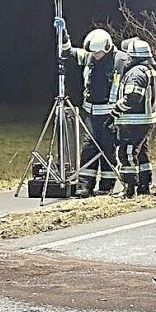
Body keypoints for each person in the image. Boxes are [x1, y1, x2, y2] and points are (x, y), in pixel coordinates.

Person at [58, 20, 130, 197]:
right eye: (92, 53)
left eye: (97, 53)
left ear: (106, 48)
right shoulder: (90, 56)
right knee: (89, 149)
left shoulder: (121, 60)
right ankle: (84, 186)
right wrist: (63, 32)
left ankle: (106, 187)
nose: (94, 56)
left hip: (110, 113)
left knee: (108, 150)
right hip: (90, 112)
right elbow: (69, 52)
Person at [111, 38, 156, 197]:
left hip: (134, 121)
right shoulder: (148, 70)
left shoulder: (135, 73)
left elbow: (132, 98)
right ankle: (144, 185)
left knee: (127, 152)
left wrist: (115, 111)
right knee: (142, 153)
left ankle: (130, 189)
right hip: (145, 120)